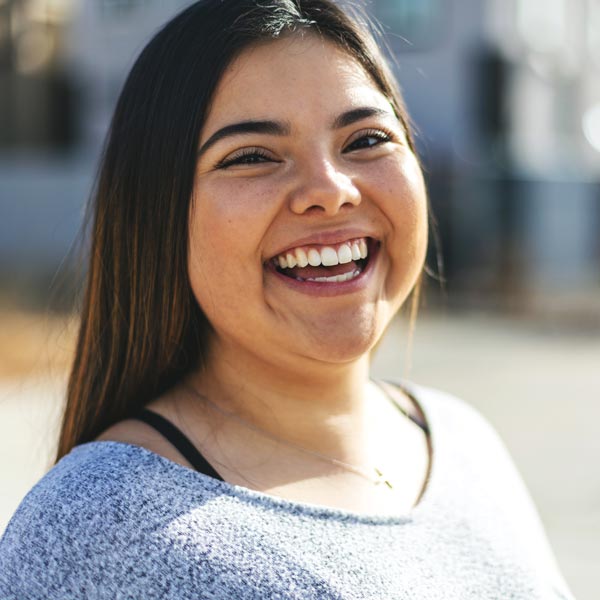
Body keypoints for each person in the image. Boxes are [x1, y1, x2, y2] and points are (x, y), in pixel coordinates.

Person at [0, 1, 575, 598]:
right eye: (252, 156)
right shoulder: (97, 528)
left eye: (367, 139)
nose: (330, 190)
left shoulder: (464, 442)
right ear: (158, 217)